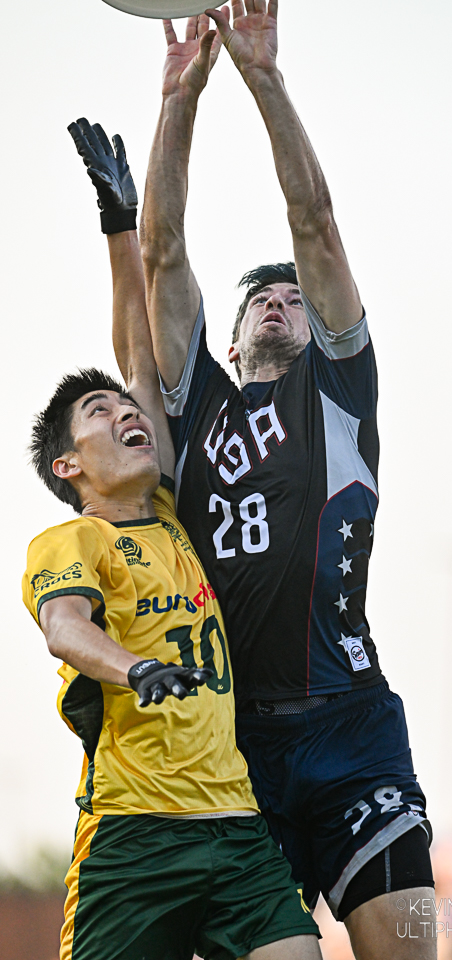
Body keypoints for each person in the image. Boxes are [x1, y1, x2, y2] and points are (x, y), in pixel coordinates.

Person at [139, 4, 437, 958]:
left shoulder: (338, 391)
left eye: (295, 298)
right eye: (260, 300)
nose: (280, 301)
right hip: (236, 751)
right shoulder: (197, 407)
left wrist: (263, 77)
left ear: (319, 326)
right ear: (229, 342)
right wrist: (178, 100)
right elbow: (161, 253)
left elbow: (315, 220)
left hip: (352, 730)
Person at [23, 118, 321, 960]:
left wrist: (120, 222)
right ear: (69, 465)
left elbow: (138, 353)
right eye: (101, 413)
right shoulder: (71, 542)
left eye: (129, 410)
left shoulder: (173, 511)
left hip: (236, 825)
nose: (128, 412)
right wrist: (135, 668)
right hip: (134, 835)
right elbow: (65, 630)